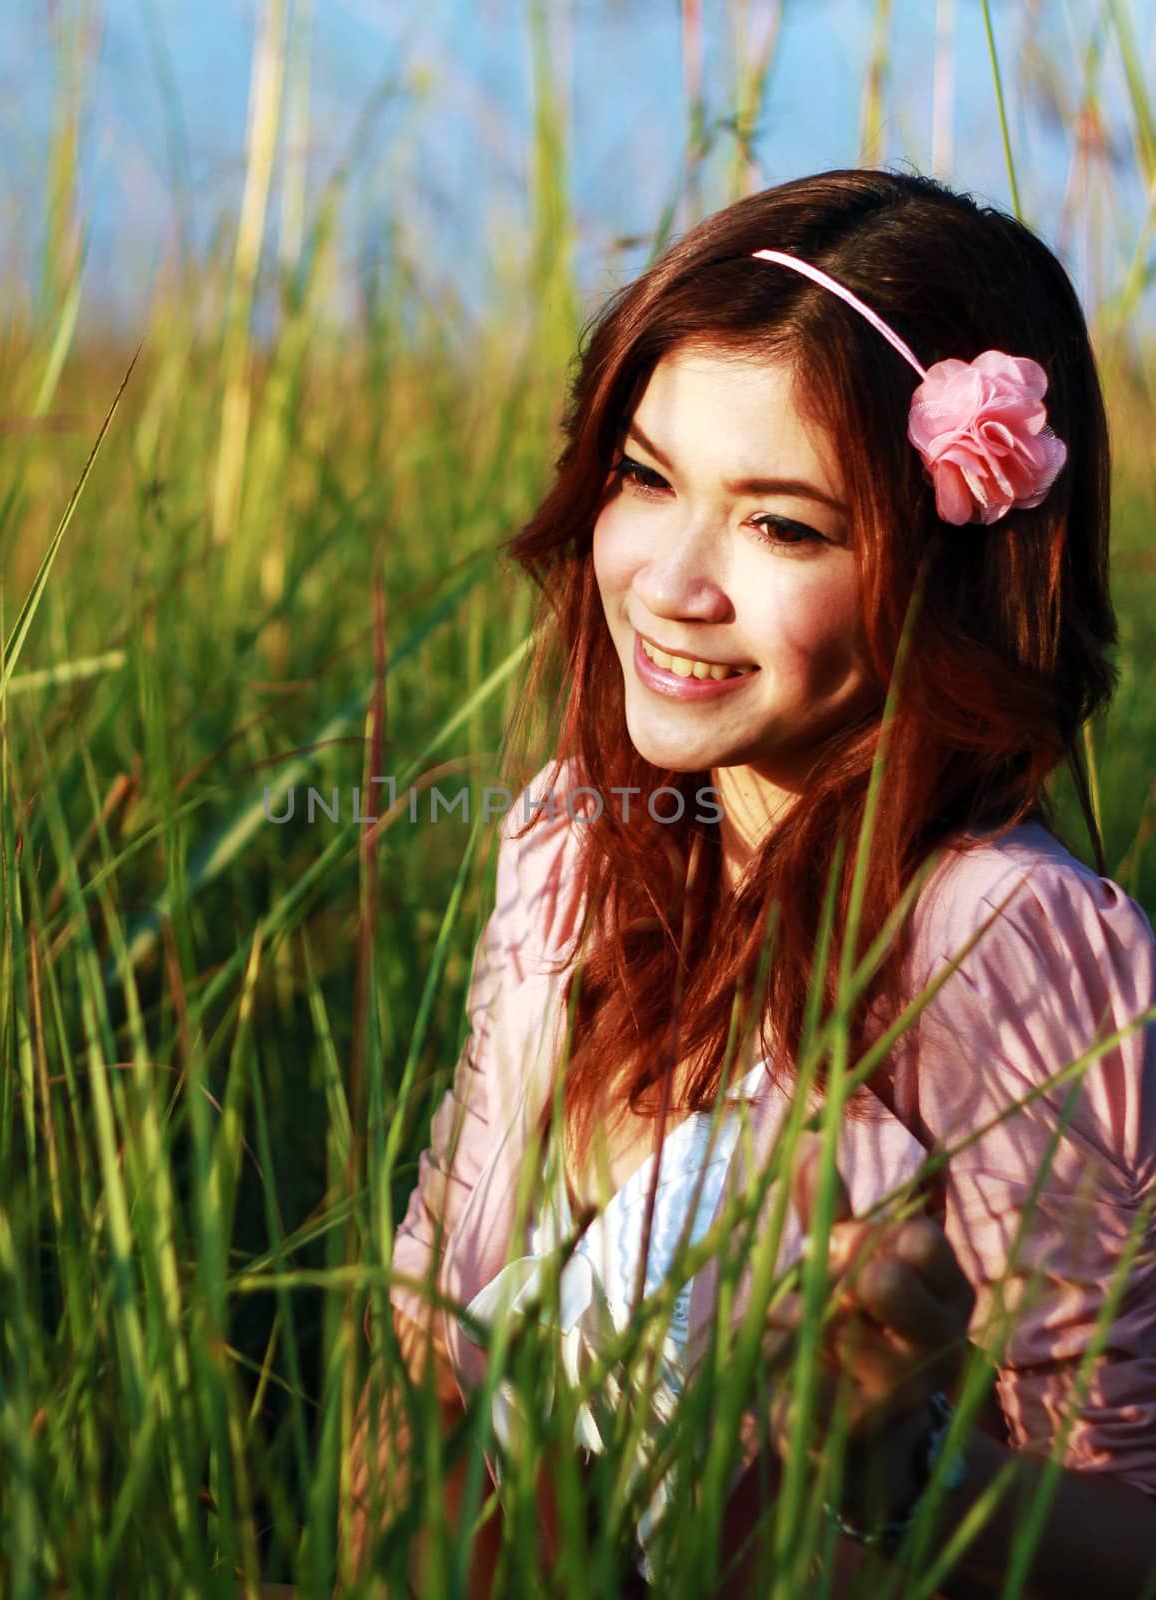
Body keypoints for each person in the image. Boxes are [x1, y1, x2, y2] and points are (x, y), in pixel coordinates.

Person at [339, 166, 1156, 1598]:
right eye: (647, 480)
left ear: (939, 578)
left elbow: (1126, 1527)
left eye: (782, 525)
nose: (670, 581)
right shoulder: (573, 842)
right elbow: (430, 1323)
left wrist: (901, 1457)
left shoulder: (996, 936)